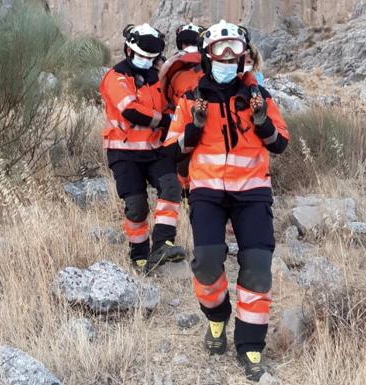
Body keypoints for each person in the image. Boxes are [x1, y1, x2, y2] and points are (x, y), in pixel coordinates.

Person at [163, 20, 290, 381]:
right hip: (206, 191)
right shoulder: (190, 101)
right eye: (220, 50)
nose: (227, 57)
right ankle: (217, 317)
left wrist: (262, 122)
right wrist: (195, 128)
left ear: (243, 57)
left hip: (251, 191)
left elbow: (280, 142)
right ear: (207, 57)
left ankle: (250, 346)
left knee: (257, 266)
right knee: (205, 262)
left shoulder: (257, 97)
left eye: (234, 50)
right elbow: (172, 150)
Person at [99, 23, 186, 273]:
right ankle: (139, 256)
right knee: (137, 205)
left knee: (171, 187)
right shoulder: (115, 77)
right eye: (141, 56)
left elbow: (173, 104)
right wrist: (166, 120)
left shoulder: (157, 78)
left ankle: (163, 243)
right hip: (124, 152)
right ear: (128, 51)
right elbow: (132, 111)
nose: (146, 61)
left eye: (151, 58)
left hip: (155, 149)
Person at [159, 23, 205, 197]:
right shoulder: (211, 58)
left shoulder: (172, 64)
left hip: (182, 116)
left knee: (182, 161)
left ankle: (186, 196)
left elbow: (164, 95)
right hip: (209, 113)